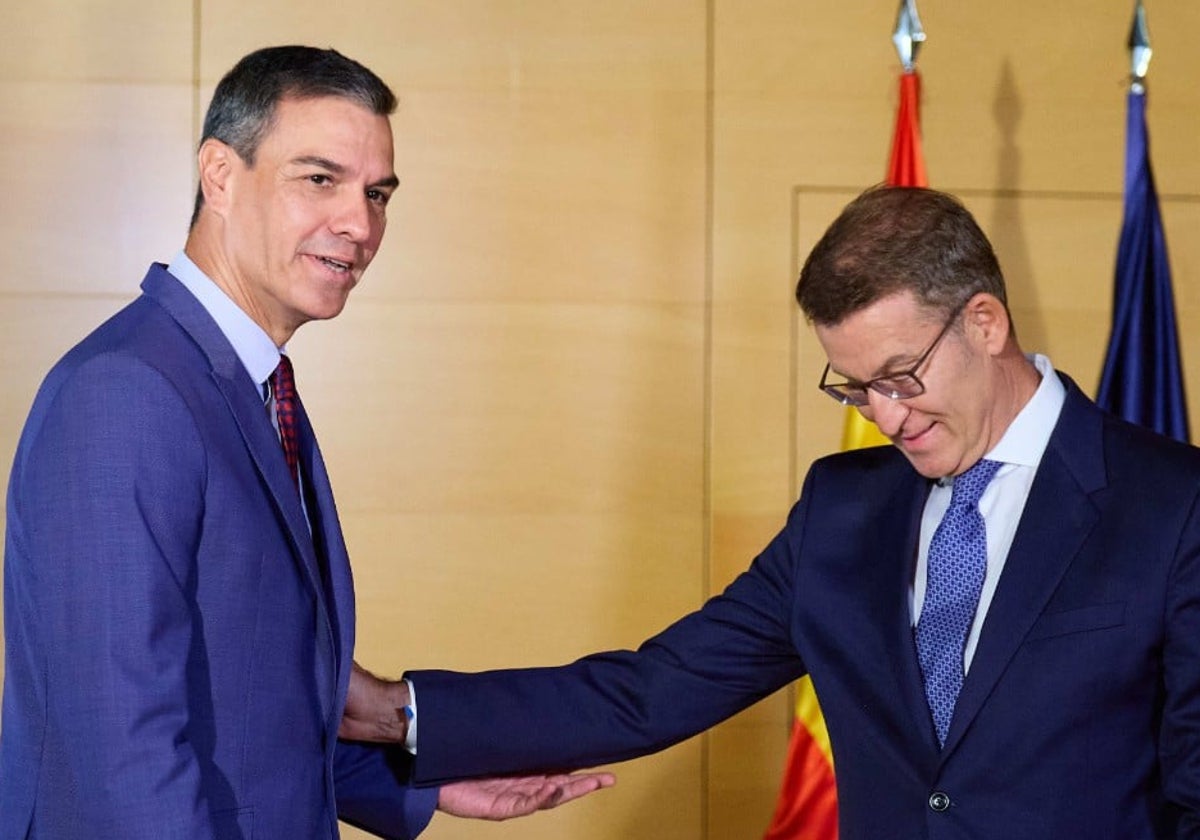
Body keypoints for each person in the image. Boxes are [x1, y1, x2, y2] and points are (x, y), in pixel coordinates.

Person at [349, 185, 1200, 838]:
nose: (888, 416)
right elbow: (653, 691)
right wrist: (400, 710)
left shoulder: (1173, 506)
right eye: (855, 387)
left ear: (984, 323)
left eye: (902, 376)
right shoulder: (843, 510)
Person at [0, 45, 610, 840]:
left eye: (377, 193)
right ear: (219, 175)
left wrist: (419, 786)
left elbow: (244, 700)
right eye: (319, 179)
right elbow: (121, 747)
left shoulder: (242, 383)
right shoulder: (128, 392)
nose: (359, 224)